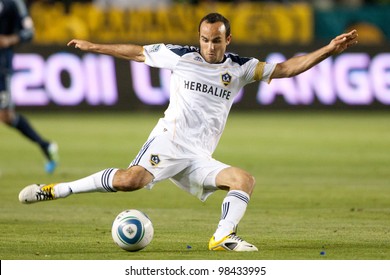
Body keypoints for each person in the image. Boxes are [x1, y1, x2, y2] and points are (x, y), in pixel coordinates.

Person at [18, 13, 358, 251]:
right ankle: (55, 190)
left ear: (228, 39)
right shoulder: (179, 57)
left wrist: (328, 50)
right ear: (199, 38)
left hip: (199, 155)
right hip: (170, 140)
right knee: (129, 181)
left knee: (244, 181)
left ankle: (223, 238)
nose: (211, 47)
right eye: (205, 40)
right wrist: (95, 47)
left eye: (217, 41)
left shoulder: (239, 68)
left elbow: (285, 69)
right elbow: (137, 52)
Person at [0, 0, 59, 173]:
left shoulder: (13, 3)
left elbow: (28, 32)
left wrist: (8, 39)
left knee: (5, 116)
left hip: (1, 66)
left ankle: (45, 145)